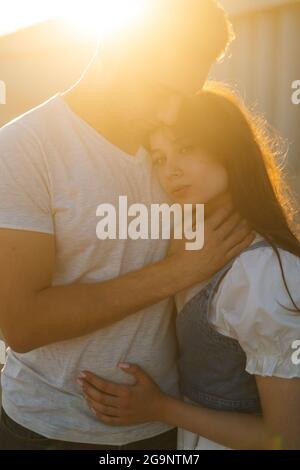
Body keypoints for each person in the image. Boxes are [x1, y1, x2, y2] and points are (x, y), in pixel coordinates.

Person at [0, 1, 253, 450]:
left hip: (161, 424)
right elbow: (22, 324)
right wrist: (177, 272)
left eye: (185, 95)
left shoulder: (172, 150)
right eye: (161, 91)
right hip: (49, 429)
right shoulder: (24, 148)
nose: (169, 113)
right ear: (115, 47)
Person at [78, 83, 300, 450]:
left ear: (229, 150)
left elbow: (287, 439)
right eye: (160, 157)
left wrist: (161, 408)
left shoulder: (262, 273)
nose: (171, 171)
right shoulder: (187, 244)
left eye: (185, 149)